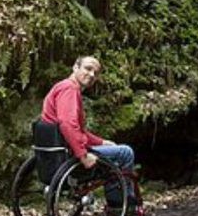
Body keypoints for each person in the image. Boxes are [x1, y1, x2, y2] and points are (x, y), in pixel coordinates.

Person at [41, 56, 136, 203]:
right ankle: (119, 205)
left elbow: (78, 130)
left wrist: (102, 142)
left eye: (96, 72)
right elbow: (67, 124)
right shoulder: (69, 89)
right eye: (88, 68)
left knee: (113, 149)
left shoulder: (62, 87)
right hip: (70, 153)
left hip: (59, 149)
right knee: (125, 153)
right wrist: (83, 156)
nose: (92, 75)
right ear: (75, 67)